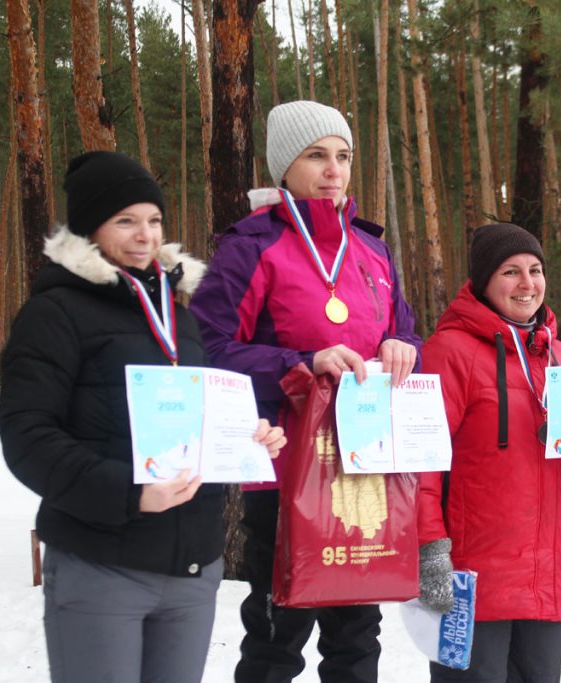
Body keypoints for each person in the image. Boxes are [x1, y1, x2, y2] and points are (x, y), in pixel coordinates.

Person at [0, 151, 287, 683]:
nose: (145, 235)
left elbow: (197, 418)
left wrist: (247, 437)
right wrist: (129, 493)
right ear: (90, 229)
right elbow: (27, 437)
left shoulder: (180, 315)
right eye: (125, 221)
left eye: (154, 220)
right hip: (101, 564)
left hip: (191, 569)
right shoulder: (54, 313)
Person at [188, 100, 422, 683]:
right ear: (284, 167)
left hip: (364, 464)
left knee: (357, 637)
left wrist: (403, 345)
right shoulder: (250, 247)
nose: (334, 170)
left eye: (343, 156)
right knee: (277, 637)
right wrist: (299, 364)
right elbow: (207, 350)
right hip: (285, 468)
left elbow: (403, 328)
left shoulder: (372, 249)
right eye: (317, 156)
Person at [416, 223, 561, 683]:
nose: (527, 283)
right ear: (484, 281)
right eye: (511, 272)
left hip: (549, 577)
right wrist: (430, 547)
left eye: (535, 270)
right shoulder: (449, 351)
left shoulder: (560, 357)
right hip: (473, 580)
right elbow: (423, 462)